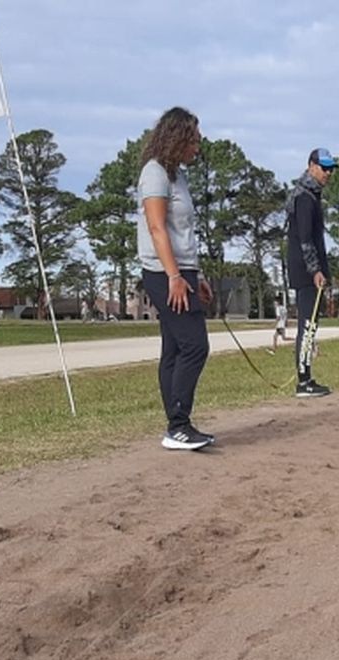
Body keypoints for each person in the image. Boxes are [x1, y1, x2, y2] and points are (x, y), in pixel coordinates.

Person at [138, 106, 215, 451]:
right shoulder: (154, 173)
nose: (197, 146)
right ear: (177, 137)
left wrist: (193, 275)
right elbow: (157, 228)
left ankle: (176, 426)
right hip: (162, 272)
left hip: (183, 270)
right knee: (195, 345)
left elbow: (181, 230)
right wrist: (173, 276)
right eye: (193, 140)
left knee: (173, 348)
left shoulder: (177, 175)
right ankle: (179, 425)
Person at [287, 148, 337, 397]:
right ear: (311, 166)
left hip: (309, 269)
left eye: (331, 169)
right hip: (306, 271)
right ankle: (303, 381)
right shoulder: (305, 197)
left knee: (311, 325)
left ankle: (306, 377)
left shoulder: (312, 195)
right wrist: (315, 270)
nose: (328, 173)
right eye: (324, 168)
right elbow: (305, 239)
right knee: (307, 327)